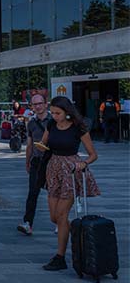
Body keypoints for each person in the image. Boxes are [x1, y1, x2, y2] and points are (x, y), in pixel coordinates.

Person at [38, 96, 100, 271]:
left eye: (58, 113)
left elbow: (93, 154)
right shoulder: (51, 125)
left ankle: (60, 256)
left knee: (61, 215)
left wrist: (84, 163)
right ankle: (77, 234)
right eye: (53, 112)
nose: (54, 116)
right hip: (53, 169)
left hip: (71, 171)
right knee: (54, 217)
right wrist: (40, 146)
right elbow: (44, 143)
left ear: (67, 113)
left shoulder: (78, 128)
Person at [18, 94, 51, 236]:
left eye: (40, 103)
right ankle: (28, 223)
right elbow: (30, 144)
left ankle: (60, 222)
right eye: (34, 104)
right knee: (32, 193)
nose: (37, 106)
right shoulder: (31, 123)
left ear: (46, 104)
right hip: (37, 162)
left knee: (55, 193)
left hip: (52, 161)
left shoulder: (54, 121)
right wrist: (28, 161)